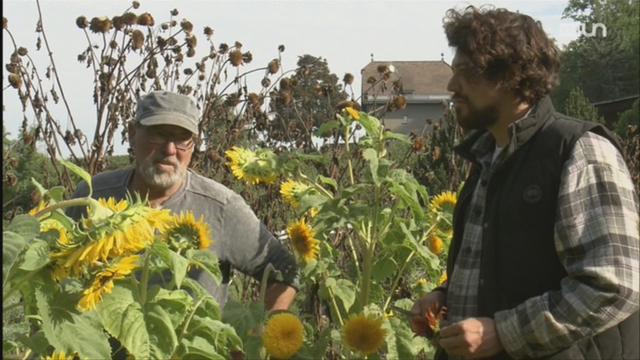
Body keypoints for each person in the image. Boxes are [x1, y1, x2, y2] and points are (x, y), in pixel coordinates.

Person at [411, 6, 639, 360]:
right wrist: (445, 297)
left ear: (512, 75)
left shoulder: (579, 151)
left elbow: (613, 285)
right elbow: (502, 271)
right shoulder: (488, 158)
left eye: (466, 72)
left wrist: (504, 332)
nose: (451, 86)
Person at [67, 90, 298, 311]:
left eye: (182, 139)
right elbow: (57, 267)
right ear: (131, 133)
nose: (169, 149)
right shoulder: (93, 196)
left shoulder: (221, 208)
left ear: (193, 144)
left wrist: (263, 333)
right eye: (158, 134)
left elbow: (285, 271)